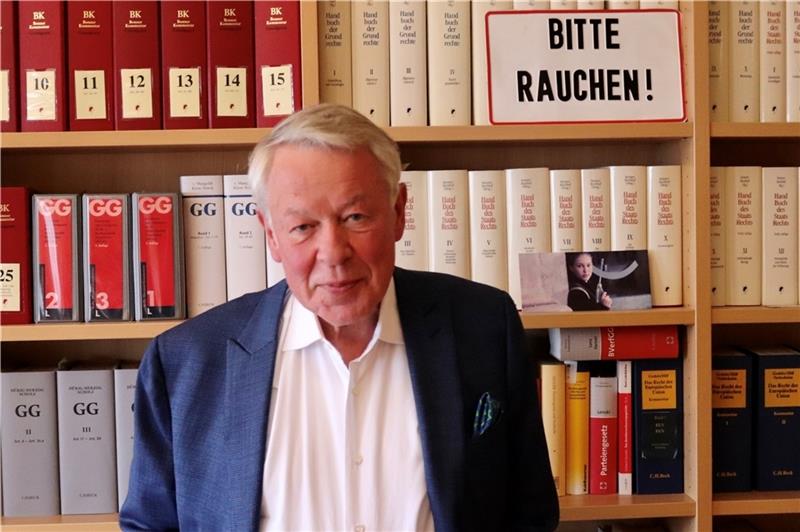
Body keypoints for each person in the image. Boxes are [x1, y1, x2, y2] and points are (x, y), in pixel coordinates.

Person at [120, 104, 559, 532]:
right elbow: (151, 524)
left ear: (399, 211)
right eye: (303, 227)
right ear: (271, 235)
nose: (333, 253)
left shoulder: (483, 328)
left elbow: (529, 514)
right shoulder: (184, 362)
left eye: (355, 217)